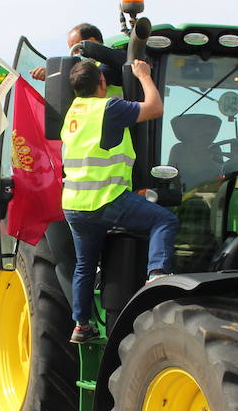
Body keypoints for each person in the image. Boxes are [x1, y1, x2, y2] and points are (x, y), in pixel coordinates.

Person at [62, 57, 176, 343]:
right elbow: (155, 108)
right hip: (106, 199)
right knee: (163, 220)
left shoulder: (73, 113)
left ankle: (81, 325)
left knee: (84, 266)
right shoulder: (109, 108)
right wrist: (143, 75)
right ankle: (157, 275)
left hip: (75, 205)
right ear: (102, 83)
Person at [30, 23, 123, 95]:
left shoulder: (110, 62)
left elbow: (88, 79)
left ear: (91, 42)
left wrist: (53, 75)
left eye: (76, 49)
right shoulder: (84, 67)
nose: (75, 55)